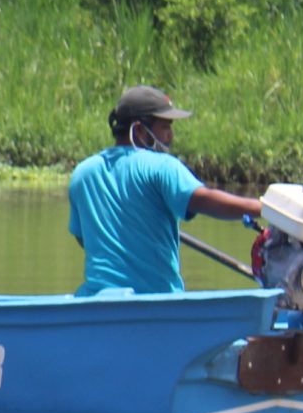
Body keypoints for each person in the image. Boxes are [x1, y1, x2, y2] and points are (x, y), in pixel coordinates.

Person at [67, 85, 262, 295]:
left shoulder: (82, 173)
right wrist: (262, 207)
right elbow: (203, 199)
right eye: (165, 127)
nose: (170, 135)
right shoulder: (162, 166)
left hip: (95, 304)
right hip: (156, 305)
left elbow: (84, 239)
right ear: (139, 130)